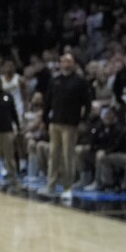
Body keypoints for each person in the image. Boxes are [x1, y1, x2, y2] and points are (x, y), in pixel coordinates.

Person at [40, 53, 92, 199]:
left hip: (71, 124)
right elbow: (47, 102)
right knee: (53, 155)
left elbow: (87, 104)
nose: (66, 63)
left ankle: (67, 187)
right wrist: (45, 119)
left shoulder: (80, 82)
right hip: (55, 123)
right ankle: (51, 185)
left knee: (67, 156)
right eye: (63, 61)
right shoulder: (55, 80)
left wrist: (83, 121)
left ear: (74, 63)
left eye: (69, 61)